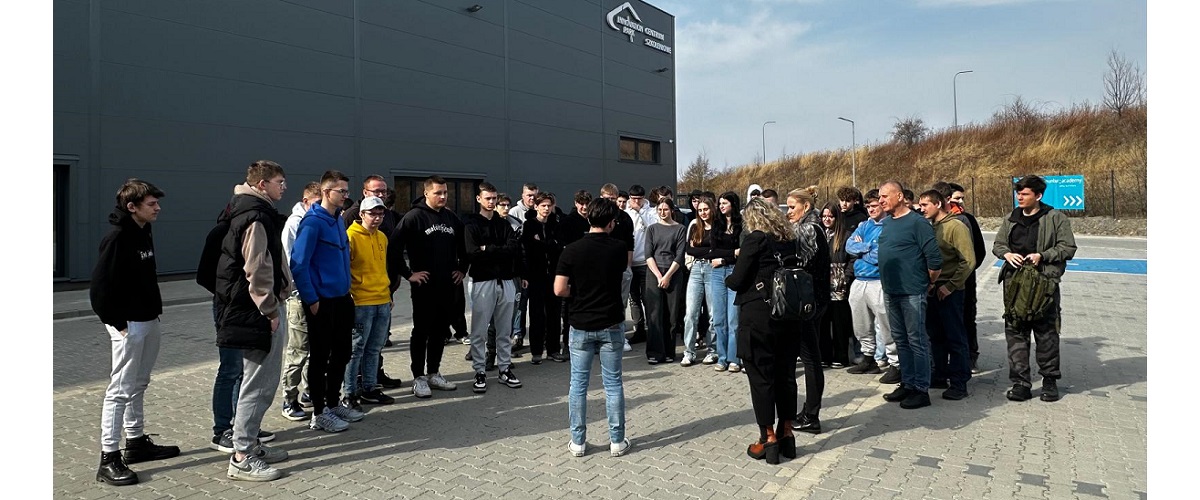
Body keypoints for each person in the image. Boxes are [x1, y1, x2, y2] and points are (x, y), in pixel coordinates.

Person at [91, 179, 179, 486]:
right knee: (120, 389)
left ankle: (136, 442)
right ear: (132, 207)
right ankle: (108, 458)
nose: (158, 208)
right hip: (129, 324)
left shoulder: (143, 230)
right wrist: (118, 324)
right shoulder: (117, 238)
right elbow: (99, 288)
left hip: (148, 318)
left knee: (139, 383)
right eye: (151, 204)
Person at [726, 196, 827, 465]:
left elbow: (737, 280)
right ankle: (787, 433)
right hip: (788, 317)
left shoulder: (755, 239)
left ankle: (768, 438)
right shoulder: (788, 238)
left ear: (751, 219)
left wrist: (729, 275)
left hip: (759, 318)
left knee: (761, 377)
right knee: (786, 377)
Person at [214, 161, 293, 480]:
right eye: (279, 182)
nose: (283, 187)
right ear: (262, 184)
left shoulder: (248, 210)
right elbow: (257, 267)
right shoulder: (255, 216)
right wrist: (270, 309)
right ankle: (242, 456)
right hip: (256, 311)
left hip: (252, 308)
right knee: (258, 384)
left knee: (258, 382)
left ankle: (250, 444)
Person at [555, 197, 633, 457]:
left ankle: (577, 442)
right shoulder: (619, 248)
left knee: (578, 384)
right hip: (611, 322)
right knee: (613, 383)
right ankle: (617, 441)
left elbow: (559, 289)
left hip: (580, 323)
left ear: (588, 218)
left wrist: (577, 292)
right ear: (611, 223)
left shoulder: (571, 250)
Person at [993, 175, 1077, 402]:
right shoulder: (1010, 218)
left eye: (1025, 194)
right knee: (1016, 334)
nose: (1019, 197)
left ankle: (1049, 381)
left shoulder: (1055, 218)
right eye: (1018, 193)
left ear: (1038, 196)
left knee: (1046, 333)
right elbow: (998, 244)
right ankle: (1020, 383)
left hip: (1043, 285)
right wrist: (1007, 254)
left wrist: (1043, 255)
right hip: (1015, 285)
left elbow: (1068, 247)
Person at [291, 170, 364, 432]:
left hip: (342, 298)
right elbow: (298, 264)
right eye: (341, 191)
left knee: (342, 352)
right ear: (325, 192)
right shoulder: (312, 223)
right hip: (321, 301)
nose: (345, 195)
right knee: (320, 356)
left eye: (346, 191)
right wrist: (311, 299)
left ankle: (333, 403)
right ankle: (319, 412)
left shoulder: (337, 220)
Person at [388, 175, 466, 397]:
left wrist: (462, 269)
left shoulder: (451, 217)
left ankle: (433, 372)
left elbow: (465, 245)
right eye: (438, 193)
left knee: (440, 331)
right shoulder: (414, 217)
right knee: (421, 331)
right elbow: (393, 248)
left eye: (445, 193)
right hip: (424, 287)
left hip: (447, 286)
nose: (442, 196)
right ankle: (418, 377)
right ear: (426, 193)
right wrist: (408, 274)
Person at [876, 181, 942, 410]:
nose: (881, 200)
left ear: (900, 196)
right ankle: (907, 383)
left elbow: (934, 260)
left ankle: (921, 389)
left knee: (917, 340)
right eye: (879, 196)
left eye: (885, 196)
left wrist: (927, 283)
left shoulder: (917, 223)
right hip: (891, 291)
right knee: (900, 339)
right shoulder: (887, 222)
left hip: (912, 292)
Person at [341, 175, 403, 388]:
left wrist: (388, 293)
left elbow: (382, 267)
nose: (376, 218)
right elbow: (344, 269)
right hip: (361, 301)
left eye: (380, 214)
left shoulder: (382, 237)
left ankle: (370, 386)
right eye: (372, 214)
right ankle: (350, 391)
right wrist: (349, 296)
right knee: (356, 349)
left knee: (375, 348)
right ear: (361, 214)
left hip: (382, 299)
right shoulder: (350, 235)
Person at [463, 182, 525, 393]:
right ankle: (480, 371)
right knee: (479, 330)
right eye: (488, 198)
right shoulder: (471, 224)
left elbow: (513, 250)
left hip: (506, 281)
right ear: (479, 199)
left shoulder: (504, 224)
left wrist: (487, 248)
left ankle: (504, 369)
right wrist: (497, 250)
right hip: (483, 281)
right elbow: (472, 253)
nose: (491, 202)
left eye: (494, 198)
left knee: (505, 330)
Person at [918, 190, 976, 401]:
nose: (921, 209)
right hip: (933, 289)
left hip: (950, 291)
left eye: (925, 205)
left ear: (938, 204)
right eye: (920, 205)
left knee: (955, 337)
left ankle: (960, 382)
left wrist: (950, 286)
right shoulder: (929, 226)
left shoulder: (956, 227)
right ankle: (940, 374)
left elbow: (968, 261)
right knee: (936, 336)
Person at [782, 187, 832, 434]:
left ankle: (812, 415)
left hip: (809, 302)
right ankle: (809, 412)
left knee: (811, 358)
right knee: (811, 357)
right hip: (814, 300)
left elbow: (801, 264)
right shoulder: (811, 227)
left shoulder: (808, 229)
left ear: (806, 206)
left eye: (792, 207)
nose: (788, 212)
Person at [844, 190, 898, 380]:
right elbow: (849, 246)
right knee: (861, 323)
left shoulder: (890, 226)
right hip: (860, 280)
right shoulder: (864, 225)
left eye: (874, 206)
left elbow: (881, 254)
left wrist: (862, 250)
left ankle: (895, 363)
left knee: (886, 324)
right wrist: (868, 246)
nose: (871, 210)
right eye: (868, 206)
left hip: (879, 281)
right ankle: (868, 358)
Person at [279, 182, 321, 422]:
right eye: (316, 203)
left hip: (318, 294)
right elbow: (291, 262)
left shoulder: (320, 221)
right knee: (298, 351)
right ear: (306, 202)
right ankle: (289, 398)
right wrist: (301, 291)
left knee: (316, 349)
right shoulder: (295, 224)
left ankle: (309, 391)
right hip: (299, 296)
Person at [935, 181, 987, 373]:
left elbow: (977, 253)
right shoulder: (932, 222)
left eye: (962, 198)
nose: (961, 202)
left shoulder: (966, 220)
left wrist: (963, 274)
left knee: (965, 320)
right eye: (957, 198)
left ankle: (969, 359)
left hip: (963, 281)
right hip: (939, 283)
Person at [522, 192, 565, 365]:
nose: (546, 209)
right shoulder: (529, 225)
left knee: (554, 314)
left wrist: (542, 243)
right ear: (536, 206)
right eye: (543, 205)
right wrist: (547, 245)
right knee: (537, 314)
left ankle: (553, 349)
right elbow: (528, 249)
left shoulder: (556, 224)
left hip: (554, 275)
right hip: (536, 276)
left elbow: (559, 247)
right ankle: (537, 351)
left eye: (549, 205)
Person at [643, 197, 687, 365]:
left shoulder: (680, 229)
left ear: (671, 210)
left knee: (671, 314)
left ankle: (669, 351)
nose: (662, 212)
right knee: (654, 314)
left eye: (665, 209)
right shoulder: (652, 229)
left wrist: (668, 276)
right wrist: (659, 276)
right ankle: (655, 352)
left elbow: (680, 255)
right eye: (660, 209)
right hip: (654, 273)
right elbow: (648, 254)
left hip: (673, 273)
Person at [598, 183, 636, 353]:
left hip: (621, 267)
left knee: (620, 303)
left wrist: (628, 266)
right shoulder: (597, 215)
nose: (611, 202)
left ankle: (619, 336)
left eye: (613, 199)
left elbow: (630, 244)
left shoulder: (625, 218)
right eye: (607, 199)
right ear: (601, 197)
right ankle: (600, 337)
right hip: (601, 268)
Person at [707, 192, 742, 370]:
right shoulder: (716, 224)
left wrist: (723, 259)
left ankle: (734, 358)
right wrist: (731, 254)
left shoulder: (741, 225)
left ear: (733, 204)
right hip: (717, 274)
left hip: (734, 272)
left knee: (733, 319)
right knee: (719, 319)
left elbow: (742, 252)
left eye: (724, 203)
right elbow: (712, 252)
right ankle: (722, 357)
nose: (721, 206)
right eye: (719, 203)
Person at [818, 202, 855, 369]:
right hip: (822, 283)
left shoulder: (846, 235)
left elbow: (853, 258)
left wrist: (845, 277)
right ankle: (824, 355)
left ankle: (841, 356)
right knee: (823, 322)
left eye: (830, 216)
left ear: (837, 218)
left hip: (838, 284)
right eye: (824, 216)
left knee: (839, 322)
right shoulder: (819, 234)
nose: (827, 219)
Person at [681, 195, 717, 366]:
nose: (703, 213)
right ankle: (689, 352)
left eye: (706, 209)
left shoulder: (718, 226)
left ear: (712, 209)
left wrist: (705, 251)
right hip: (696, 269)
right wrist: (708, 251)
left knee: (713, 314)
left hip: (713, 269)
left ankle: (712, 350)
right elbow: (689, 250)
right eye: (700, 210)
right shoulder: (695, 225)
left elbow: (717, 250)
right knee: (690, 314)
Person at [625, 184, 654, 344]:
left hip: (646, 262)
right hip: (630, 262)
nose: (636, 202)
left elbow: (653, 229)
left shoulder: (651, 212)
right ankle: (639, 329)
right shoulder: (625, 213)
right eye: (633, 199)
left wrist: (641, 213)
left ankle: (652, 329)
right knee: (633, 298)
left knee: (648, 297)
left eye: (639, 199)